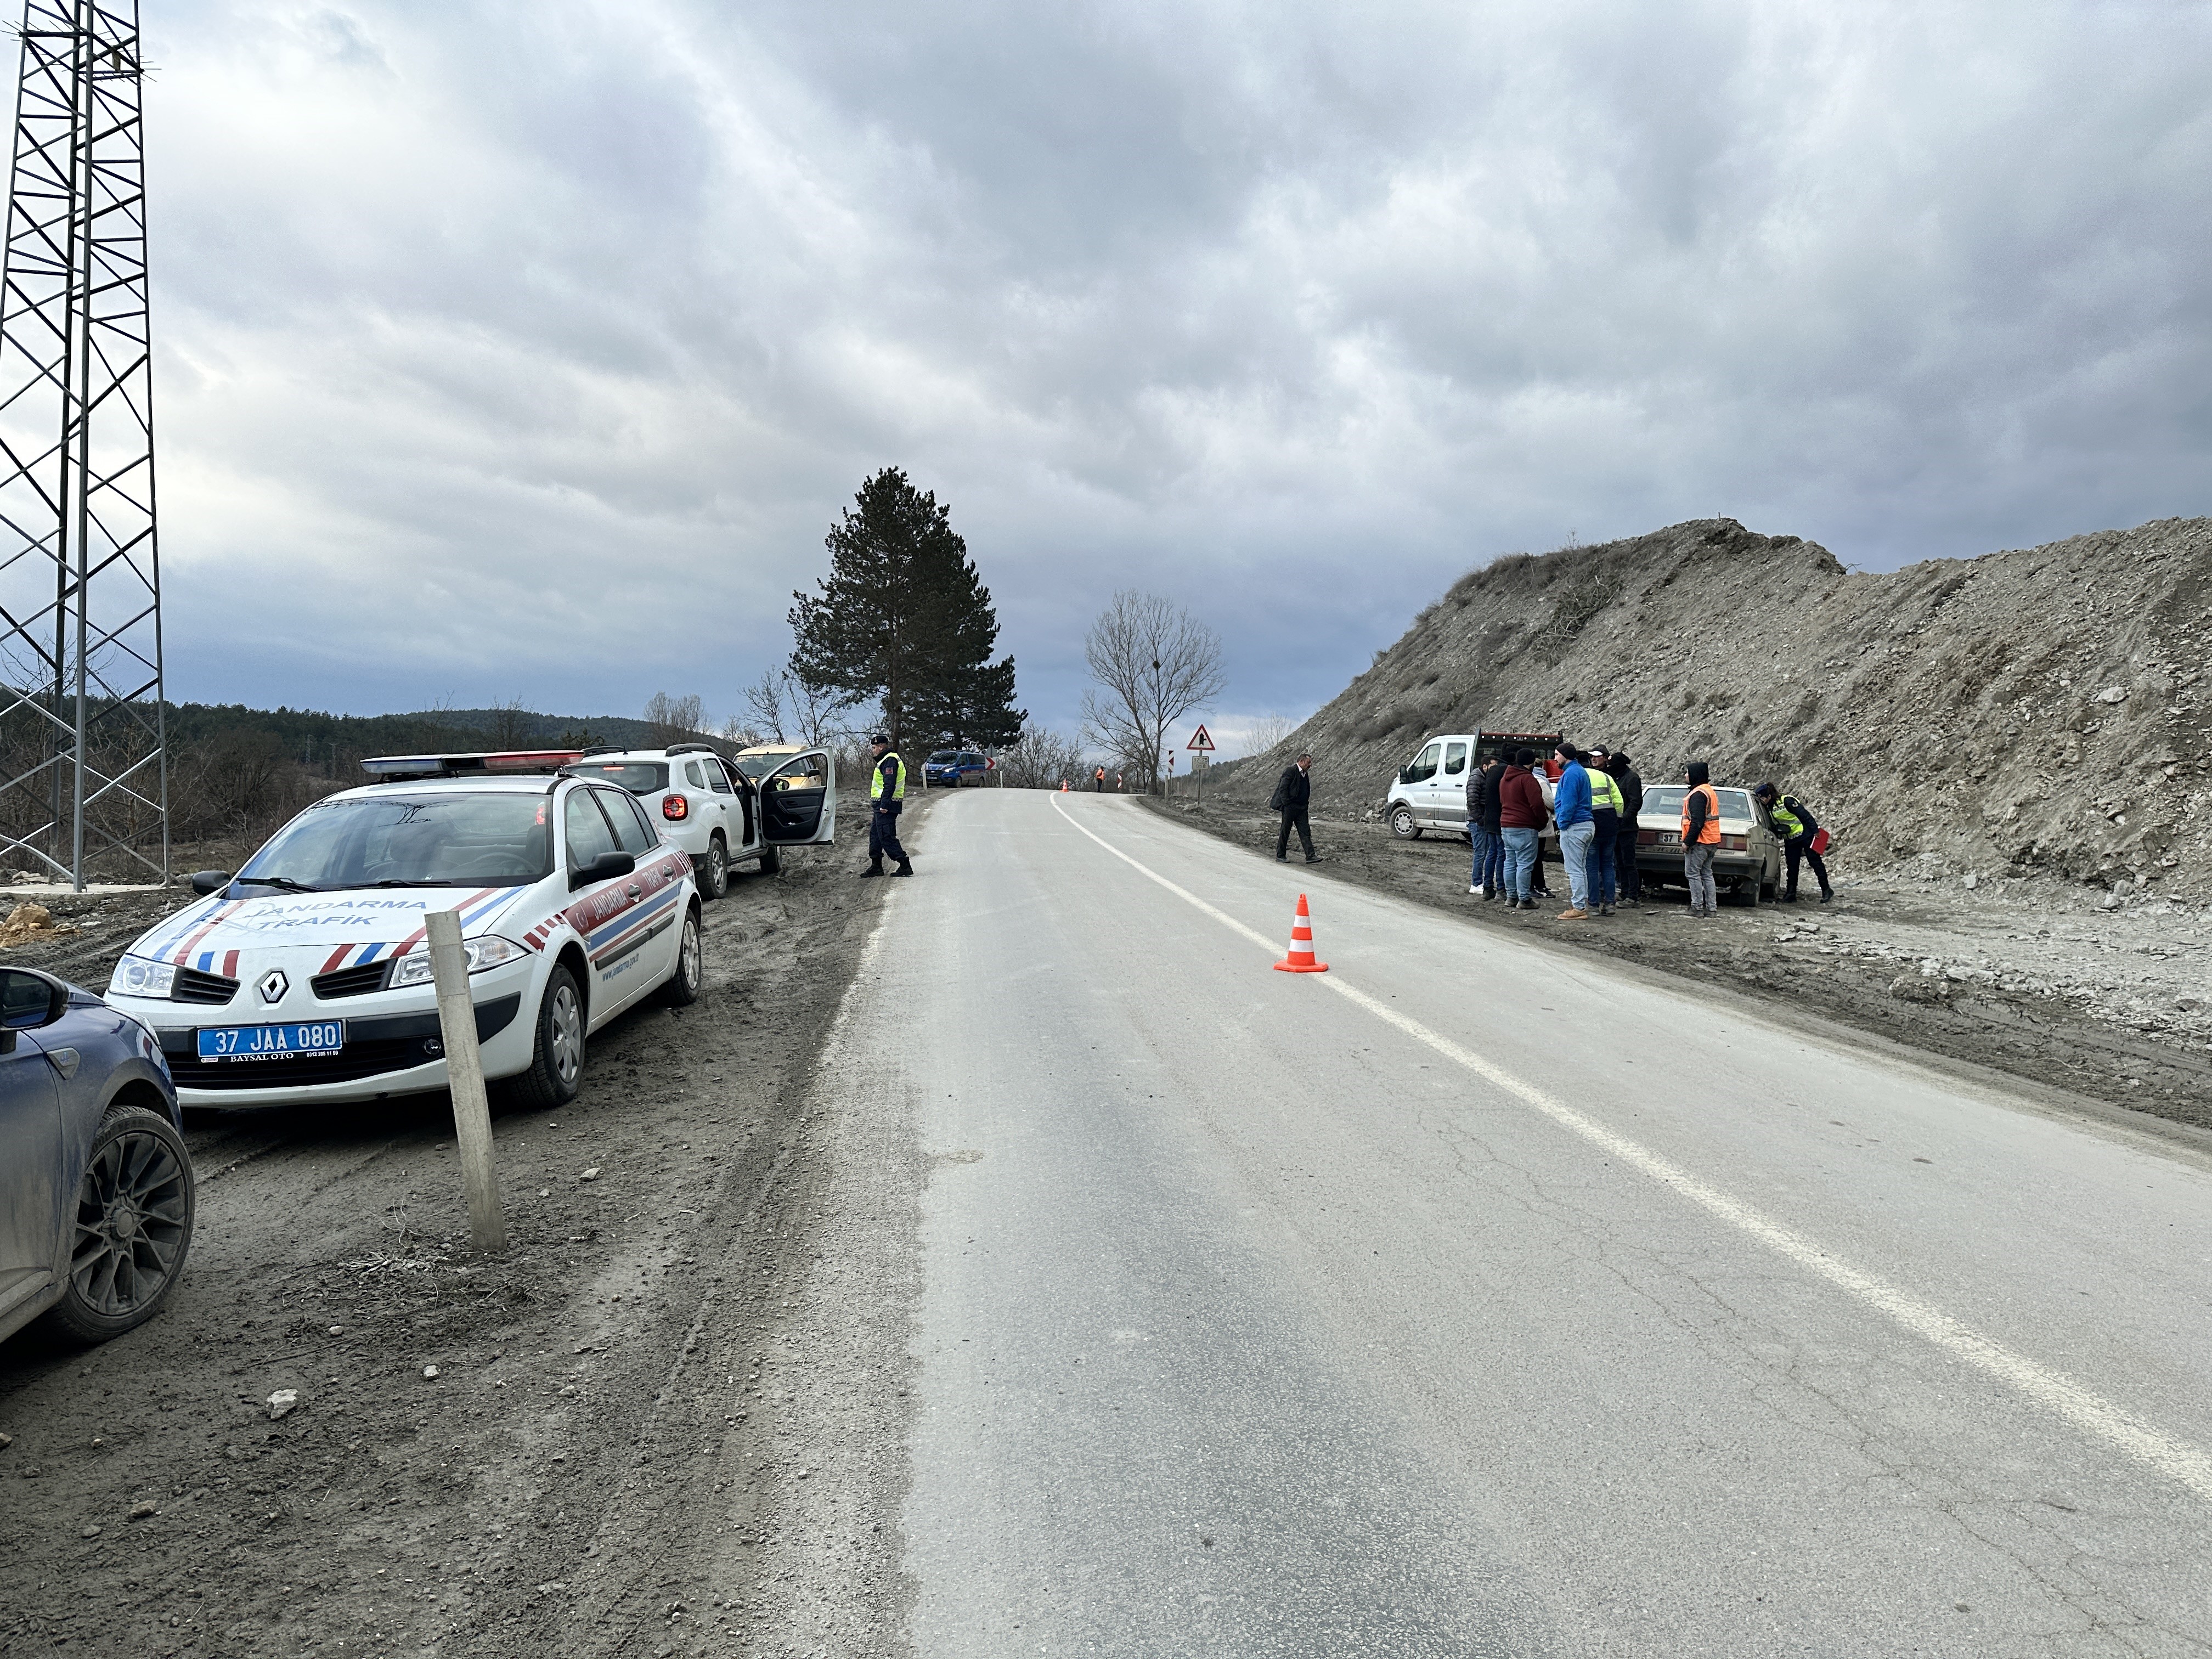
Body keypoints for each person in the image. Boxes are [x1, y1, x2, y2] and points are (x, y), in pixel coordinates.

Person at [1755, 782, 1834, 904]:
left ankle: (1826, 890)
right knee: (1792, 867)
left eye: (1763, 798)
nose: (1762, 800)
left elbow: (1805, 815)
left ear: (1769, 796)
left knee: (1815, 862)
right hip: (1791, 839)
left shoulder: (1787, 801)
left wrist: (1815, 831)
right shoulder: (1768, 808)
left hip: (1805, 835)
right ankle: (1791, 894)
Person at [1497, 748, 1545, 909]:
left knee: (1510, 862)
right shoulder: (1528, 779)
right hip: (1524, 826)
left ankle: (1511, 897)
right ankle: (1524, 899)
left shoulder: (1505, 779)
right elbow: (1537, 804)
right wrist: (1542, 822)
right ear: (1531, 762)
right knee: (1525, 863)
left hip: (1506, 825)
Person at [1552, 743, 1594, 920]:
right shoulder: (1580, 772)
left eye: (1556, 755)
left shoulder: (1570, 774)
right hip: (1586, 824)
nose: (1554, 759)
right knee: (1581, 868)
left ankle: (1578, 907)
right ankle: (1581, 903)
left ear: (1565, 756)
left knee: (1574, 869)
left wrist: (1562, 823)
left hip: (1574, 826)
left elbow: (1568, 803)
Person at [863, 734, 912, 877]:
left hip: (887, 805)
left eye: (874, 748)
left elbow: (889, 785)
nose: (873, 751)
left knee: (886, 836)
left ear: (881, 747)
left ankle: (904, 864)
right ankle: (876, 866)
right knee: (876, 836)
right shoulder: (885, 759)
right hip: (880, 805)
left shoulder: (890, 760)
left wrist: (884, 804)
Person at [1585, 746, 1622, 916]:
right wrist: (1617, 821)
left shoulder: (1583, 777)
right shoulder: (1608, 778)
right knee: (1608, 866)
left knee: (1592, 867)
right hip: (1609, 826)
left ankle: (1593, 905)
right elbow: (1619, 803)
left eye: (1597, 757)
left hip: (1592, 825)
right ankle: (1610, 904)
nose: (1594, 759)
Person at [1681, 761, 1720, 917]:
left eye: (1688, 773)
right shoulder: (1708, 791)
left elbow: (1697, 822)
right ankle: (1711, 909)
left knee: (1692, 873)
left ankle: (1697, 907)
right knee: (1706, 874)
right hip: (1712, 840)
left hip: (1700, 841)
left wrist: (1687, 842)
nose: (1685, 775)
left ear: (1695, 775)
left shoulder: (1698, 794)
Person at [1468, 753, 1505, 899]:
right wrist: (1481, 820)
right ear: (1485, 766)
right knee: (1481, 853)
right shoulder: (1476, 778)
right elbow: (1472, 800)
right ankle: (1476, 884)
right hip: (1479, 822)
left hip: (1484, 821)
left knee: (1489, 852)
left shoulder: (1485, 777)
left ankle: (1482, 883)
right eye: (1493, 767)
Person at [1610, 751, 1644, 906]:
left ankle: (1633, 895)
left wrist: (1624, 819)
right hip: (1617, 827)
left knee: (1628, 862)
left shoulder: (1631, 778)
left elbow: (1636, 802)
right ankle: (1624, 893)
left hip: (1627, 829)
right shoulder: (1618, 778)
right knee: (1619, 862)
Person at [1271, 752, 1316, 862]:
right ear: (1301, 762)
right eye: (1308, 762)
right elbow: (1283, 788)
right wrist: (1287, 804)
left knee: (1305, 832)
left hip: (1301, 809)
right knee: (1285, 831)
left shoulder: (1305, 774)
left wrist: (1305, 805)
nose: (1310, 765)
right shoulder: (1290, 771)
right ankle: (1280, 856)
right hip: (1290, 808)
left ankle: (1311, 856)